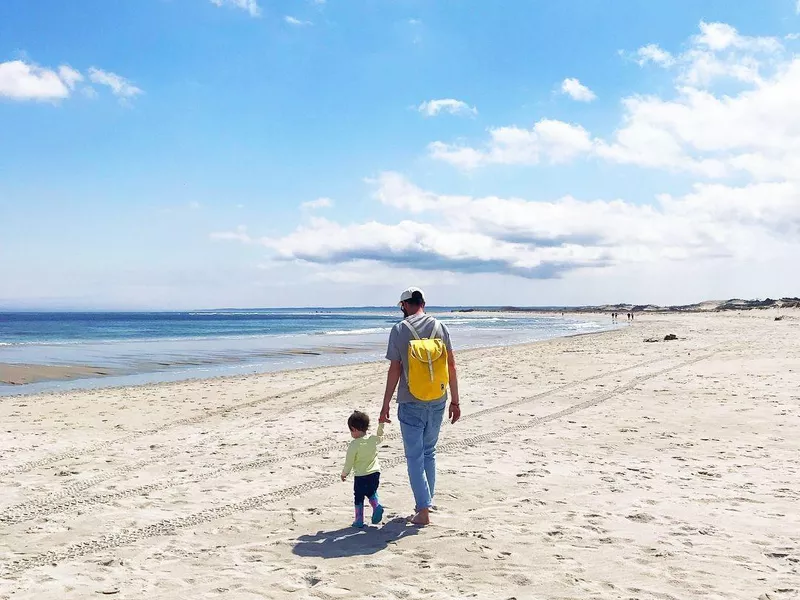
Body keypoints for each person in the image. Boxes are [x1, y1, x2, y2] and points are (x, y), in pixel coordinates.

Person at [380, 287, 461, 526]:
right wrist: (455, 401)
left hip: (411, 400)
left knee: (414, 457)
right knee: (429, 452)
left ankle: (423, 510)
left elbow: (395, 369)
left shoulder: (399, 330)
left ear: (404, 305)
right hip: (438, 398)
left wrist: (385, 403)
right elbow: (452, 367)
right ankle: (426, 503)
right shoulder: (441, 327)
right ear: (423, 302)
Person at [341, 410, 385, 528]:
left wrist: (344, 473)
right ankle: (376, 506)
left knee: (359, 496)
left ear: (354, 429)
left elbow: (349, 462)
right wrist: (381, 424)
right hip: (375, 473)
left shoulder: (354, 445)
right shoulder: (372, 439)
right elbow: (380, 437)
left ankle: (359, 520)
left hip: (361, 475)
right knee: (371, 492)